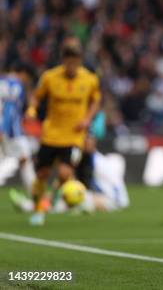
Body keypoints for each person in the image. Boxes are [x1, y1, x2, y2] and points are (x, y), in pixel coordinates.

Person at [26, 37, 102, 226]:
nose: (72, 65)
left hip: (74, 136)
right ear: (63, 59)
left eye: (75, 61)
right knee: (42, 174)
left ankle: (47, 202)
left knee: (64, 173)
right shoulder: (49, 77)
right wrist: (32, 109)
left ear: (80, 60)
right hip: (51, 133)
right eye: (68, 61)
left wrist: (87, 119)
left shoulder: (90, 79)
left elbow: (96, 101)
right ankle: (37, 208)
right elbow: (36, 97)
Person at [0, 63, 35, 193]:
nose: (27, 82)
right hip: (11, 131)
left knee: (22, 160)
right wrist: (3, 129)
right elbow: (9, 108)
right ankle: (36, 198)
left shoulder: (2, 81)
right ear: (24, 74)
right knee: (22, 158)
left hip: (6, 129)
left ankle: (36, 197)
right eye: (28, 79)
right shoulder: (16, 84)